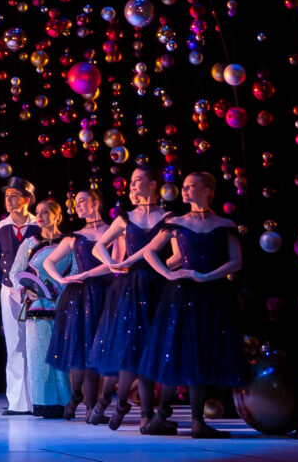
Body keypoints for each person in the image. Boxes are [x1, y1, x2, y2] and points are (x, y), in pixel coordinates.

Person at [135, 172, 245, 437]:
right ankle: (169, 418)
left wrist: (207, 276)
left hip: (212, 294)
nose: (183, 191)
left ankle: (190, 421)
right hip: (181, 295)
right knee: (179, 352)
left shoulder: (223, 223)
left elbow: (236, 261)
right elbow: (149, 251)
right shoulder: (176, 222)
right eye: (183, 187)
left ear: (208, 190)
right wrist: (167, 273)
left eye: (191, 186)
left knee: (201, 353)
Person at [87, 167, 170, 433]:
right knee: (129, 348)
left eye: (137, 181)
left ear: (153, 184)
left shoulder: (168, 217)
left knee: (151, 349)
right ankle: (121, 403)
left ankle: (147, 412)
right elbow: (98, 246)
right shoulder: (126, 217)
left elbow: (161, 252)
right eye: (131, 183)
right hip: (131, 287)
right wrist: (112, 264)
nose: (132, 186)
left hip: (158, 286)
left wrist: (163, 268)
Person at [43, 188, 114, 422]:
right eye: (76, 202)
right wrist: (62, 279)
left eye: (83, 201)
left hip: (104, 292)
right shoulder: (74, 236)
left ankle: (84, 404)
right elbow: (49, 261)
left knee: (95, 347)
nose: (78, 205)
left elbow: (114, 263)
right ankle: (79, 401)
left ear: (97, 203)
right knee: (81, 348)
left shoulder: (112, 231)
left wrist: (84, 275)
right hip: (80, 295)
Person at [12, 199, 74, 418]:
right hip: (37, 305)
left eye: (46, 212)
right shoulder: (29, 243)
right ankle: (43, 403)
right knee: (38, 355)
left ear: (57, 216)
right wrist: (24, 290)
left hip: (63, 303)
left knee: (62, 354)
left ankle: (67, 402)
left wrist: (66, 290)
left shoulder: (69, 242)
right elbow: (15, 273)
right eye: (37, 212)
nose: (40, 216)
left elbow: (75, 270)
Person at [0, 176, 40, 415]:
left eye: (13, 195)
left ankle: (37, 399)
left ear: (26, 199)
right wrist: (11, 287)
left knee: (36, 345)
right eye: (6, 196)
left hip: (38, 293)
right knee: (15, 345)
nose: (8, 200)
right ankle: (17, 403)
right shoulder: (0, 229)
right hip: (10, 291)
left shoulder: (39, 226)